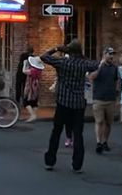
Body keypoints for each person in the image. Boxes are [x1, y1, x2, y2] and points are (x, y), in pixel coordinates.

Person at [40, 40, 102, 173]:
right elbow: (96, 64)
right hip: (78, 103)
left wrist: (56, 48)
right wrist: (82, 56)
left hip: (63, 102)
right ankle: (77, 164)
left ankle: (50, 160)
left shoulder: (63, 62)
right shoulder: (83, 64)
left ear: (68, 50)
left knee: (56, 132)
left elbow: (44, 57)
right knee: (78, 134)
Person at [88, 47, 119, 154]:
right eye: (110, 54)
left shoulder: (115, 68)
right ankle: (98, 143)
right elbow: (91, 77)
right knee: (99, 121)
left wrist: (116, 93)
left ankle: (105, 141)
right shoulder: (97, 66)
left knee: (109, 123)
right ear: (104, 54)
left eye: (113, 54)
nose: (112, 56)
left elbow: (116, 81)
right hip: (98, 99)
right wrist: (100, 66)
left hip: (110, 99)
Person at [22, 55, 44, 122]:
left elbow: (24, 71)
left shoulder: (32, 70)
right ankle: (33, 115)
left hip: (30, 87)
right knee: (34, 102)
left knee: (26, 102)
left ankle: (32, 115)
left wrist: (24, 64)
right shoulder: (39, 71)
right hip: (36, 86)